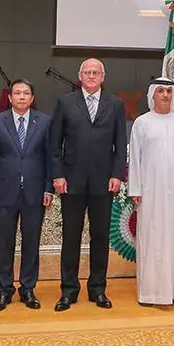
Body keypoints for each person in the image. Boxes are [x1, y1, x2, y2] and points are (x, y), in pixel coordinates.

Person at [50, 58, 127, 311]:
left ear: (103, 77)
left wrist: (117, 174)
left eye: (96, 72)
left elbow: (120, 146)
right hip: (71, 182)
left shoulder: (115, 104)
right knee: (70, 237)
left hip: (104, 183)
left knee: (101, 236)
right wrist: (58, 175)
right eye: (87, 72)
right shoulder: (65, 102)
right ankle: (68, 290)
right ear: (80, 76)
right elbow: (54, 144)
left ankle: (98, 289)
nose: (92, 76)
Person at [128, 78, 174, 305]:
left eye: (169, 91)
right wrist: (136, 188)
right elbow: (136, 159)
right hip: (150, 192)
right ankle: (151, 293)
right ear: (153, 95)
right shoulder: (142, 122)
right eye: (161, 91)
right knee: (152, 237)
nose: (166, 95)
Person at [0, 79, 54, 313]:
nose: (22, 97)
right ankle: (4, 290)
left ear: (32, 98)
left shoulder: (44, 122)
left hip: (35, 193)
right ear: (10, 98)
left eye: (26, 93)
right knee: (4, 244)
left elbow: (50, 158)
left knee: (31, 243)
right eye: (17, 93)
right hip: (5, 193)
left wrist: (48, 188)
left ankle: (28, 289)